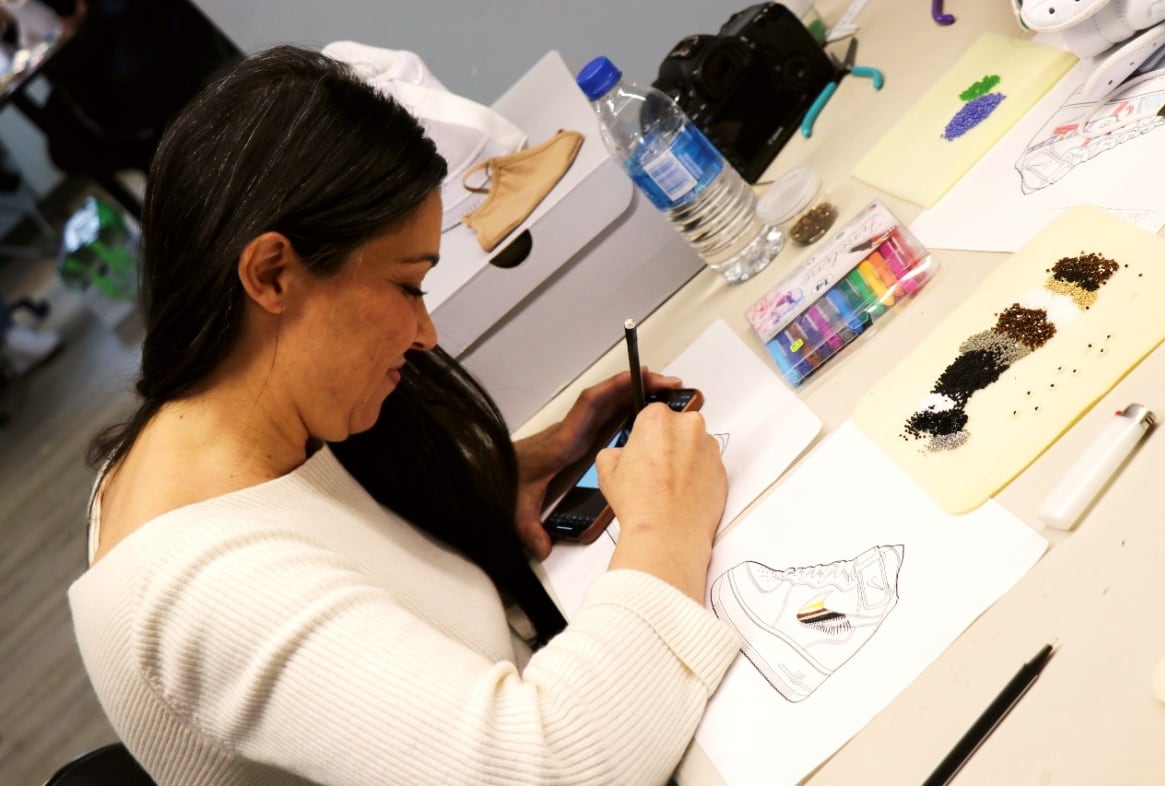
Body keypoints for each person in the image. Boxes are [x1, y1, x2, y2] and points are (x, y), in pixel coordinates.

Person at [68, 44, 740, 786]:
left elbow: (331, 545)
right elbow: (549, 766)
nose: (426, 333)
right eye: (407, 286)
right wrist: (664, 529)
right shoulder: (201, 592)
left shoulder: (223, 426)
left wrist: (490, 481)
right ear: (271, 274)